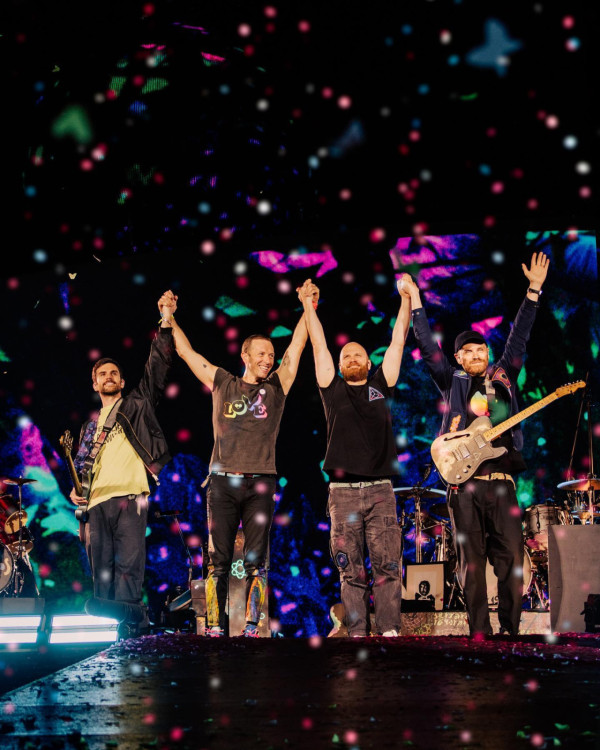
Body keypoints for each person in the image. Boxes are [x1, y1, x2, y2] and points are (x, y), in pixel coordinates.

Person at [402, 252, 550, 636]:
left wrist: (534, 289)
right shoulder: (450, 380)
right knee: (471, 563)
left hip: (501, 484)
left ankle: (511, 632)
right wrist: (415, 300)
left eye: (480, 349)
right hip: (463, 487)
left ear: (488, 354)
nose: (476, 355)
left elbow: (520, 334)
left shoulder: (503, 376)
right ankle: (480, 633)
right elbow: (427, 346)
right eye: (467, 351)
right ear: (458, 358)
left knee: (511, 559)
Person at [158, 285, 316, 637]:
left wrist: (308, 306)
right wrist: (168, 316)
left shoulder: (277, 387)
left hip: (261, 483)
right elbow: (187, 352)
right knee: (219, 561)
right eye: (261, 353)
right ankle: (215, 627)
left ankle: (251, 627)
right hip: (222, 483)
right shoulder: (222, 382)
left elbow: (296, 348)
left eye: (271, 354)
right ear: (245, 355)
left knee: (257, 561)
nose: (268, 359)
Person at [299, 276, 411, 637]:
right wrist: (308, 306)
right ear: (339, 364)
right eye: (345, 355)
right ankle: (358, 634)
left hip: (381, 492)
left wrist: (407, 299)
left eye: (357, 354)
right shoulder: (331, 389)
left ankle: (389, 632)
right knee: (351, 570)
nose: (351, 358)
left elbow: (398, 340)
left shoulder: (381, 385)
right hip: (342, 494)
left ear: (368, 361)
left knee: (387, 566)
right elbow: (318, 344)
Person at [70, 294, 175, 636]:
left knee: (129, 567)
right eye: (102, 373)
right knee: (101, 573)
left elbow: (157, 367)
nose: (109, 376)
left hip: (132, 497)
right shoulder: (88, 429)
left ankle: (132, 633)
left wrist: (165, 320)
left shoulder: (137, 405)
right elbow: (83, 472)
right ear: (95, 384)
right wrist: (76, 491)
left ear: (122, 382)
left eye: (114, 372)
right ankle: (113, 634)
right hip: (96, 504)